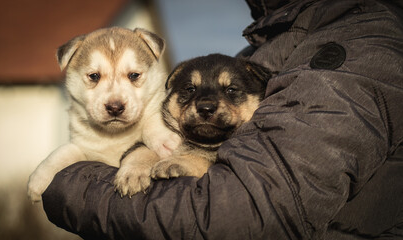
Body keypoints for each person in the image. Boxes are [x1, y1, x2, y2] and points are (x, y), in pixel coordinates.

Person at [42, 0, 403, 239]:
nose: (206, 104)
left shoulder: (358, 45)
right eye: (188, 93)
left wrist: (68, 181)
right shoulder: (268, 44)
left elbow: (238, 213)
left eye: (231, 93)